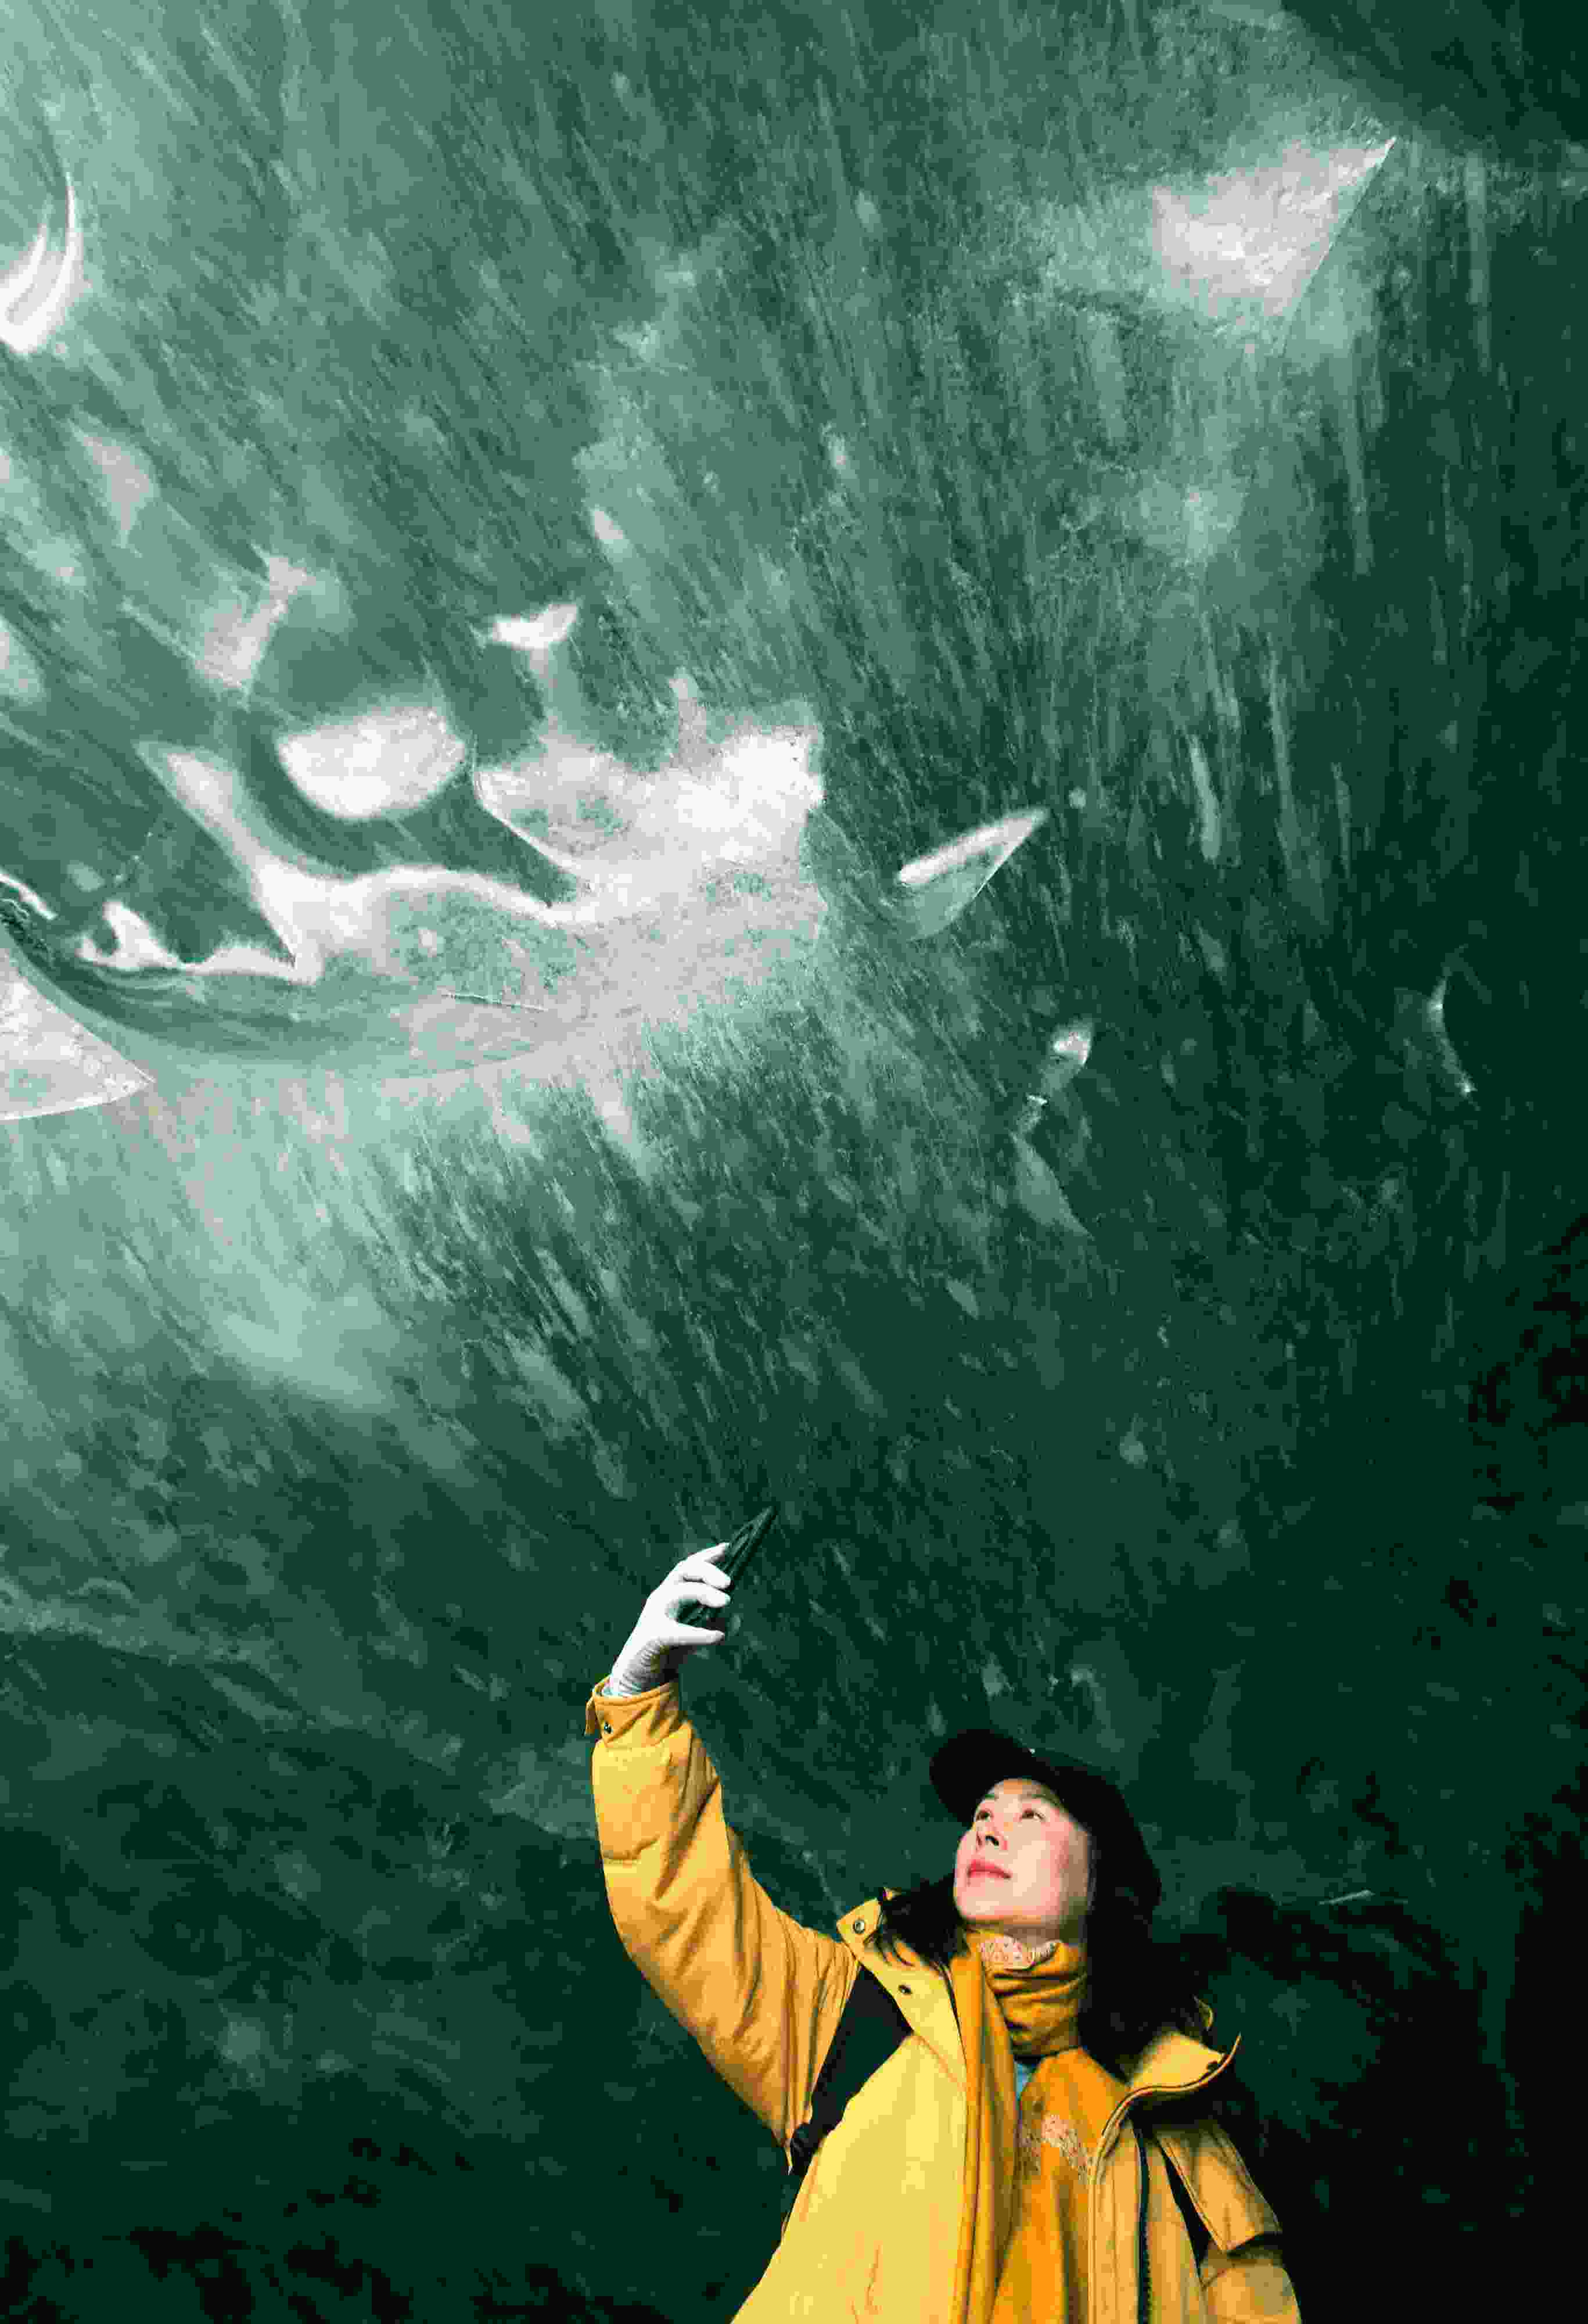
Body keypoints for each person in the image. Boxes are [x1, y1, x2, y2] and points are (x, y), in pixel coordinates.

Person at [585, 1540, 1302, 2321]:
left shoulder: (1172, 2129)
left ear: (1102, 1882)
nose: (988, 1829)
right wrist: (638, 1697)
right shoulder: (853, 2015)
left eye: (1031, 1817)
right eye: (983, 1815)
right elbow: (682, 1907)